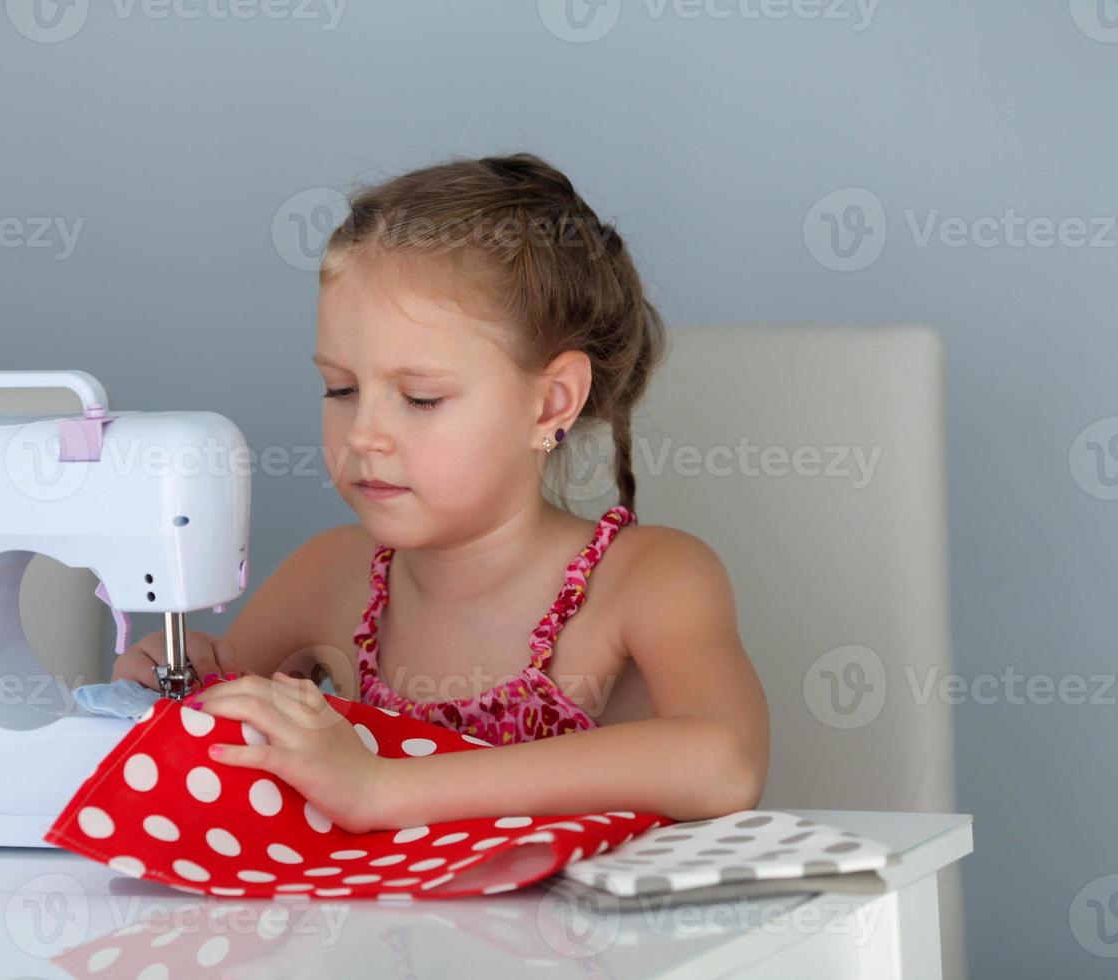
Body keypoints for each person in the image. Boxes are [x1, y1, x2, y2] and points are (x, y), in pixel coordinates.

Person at [114, 152, 769, 833]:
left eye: (420, 399)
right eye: (340, 389)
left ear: (550, 404)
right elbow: (211, 767)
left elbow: (724, 762)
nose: (364, 433)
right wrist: (165, 697)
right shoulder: (327, 577)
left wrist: (383, 788)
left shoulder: (648, 578)